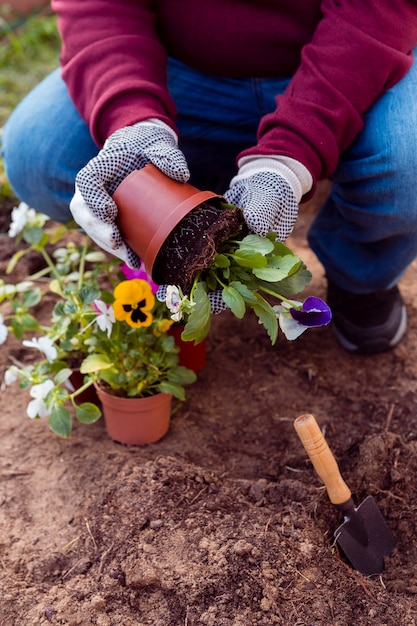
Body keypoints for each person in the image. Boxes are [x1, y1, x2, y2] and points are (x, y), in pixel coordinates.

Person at [3, 1, 417, 355]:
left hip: (347, 57)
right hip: (181, 68)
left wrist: (289, 158)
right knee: (39, 153)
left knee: (407, 163)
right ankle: (179, 233)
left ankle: (362, 274)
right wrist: (133, 119)